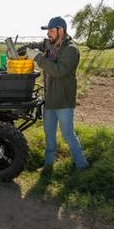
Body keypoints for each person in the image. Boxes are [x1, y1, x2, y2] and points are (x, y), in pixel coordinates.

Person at [25, 16, 89, 170]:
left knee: (67, 134)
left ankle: (82, 165)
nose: (49, 34)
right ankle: (48, 166)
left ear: (61, 30)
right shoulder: (49, 44)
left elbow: (58, 71)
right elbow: (37, 45)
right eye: (48, 31)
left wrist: (38, 57)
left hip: (64, 100)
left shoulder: (71, 50)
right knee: (49, 134)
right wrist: (21, 49)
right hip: (50, 100)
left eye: (51, 31)